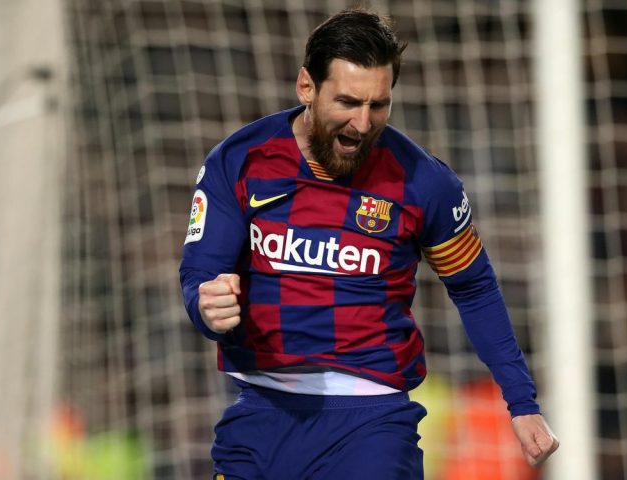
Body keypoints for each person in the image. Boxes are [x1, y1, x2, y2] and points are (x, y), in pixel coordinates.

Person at [179, 7, 558, 479]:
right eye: (347, 102)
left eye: (378, 105)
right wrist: (205, 306)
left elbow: (474, 287)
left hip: (371, 424)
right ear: (306, 87)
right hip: (259, 417)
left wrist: (521, 401)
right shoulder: (239, 161)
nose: (362, 124)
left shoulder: (422, 181)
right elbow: (200, 275)